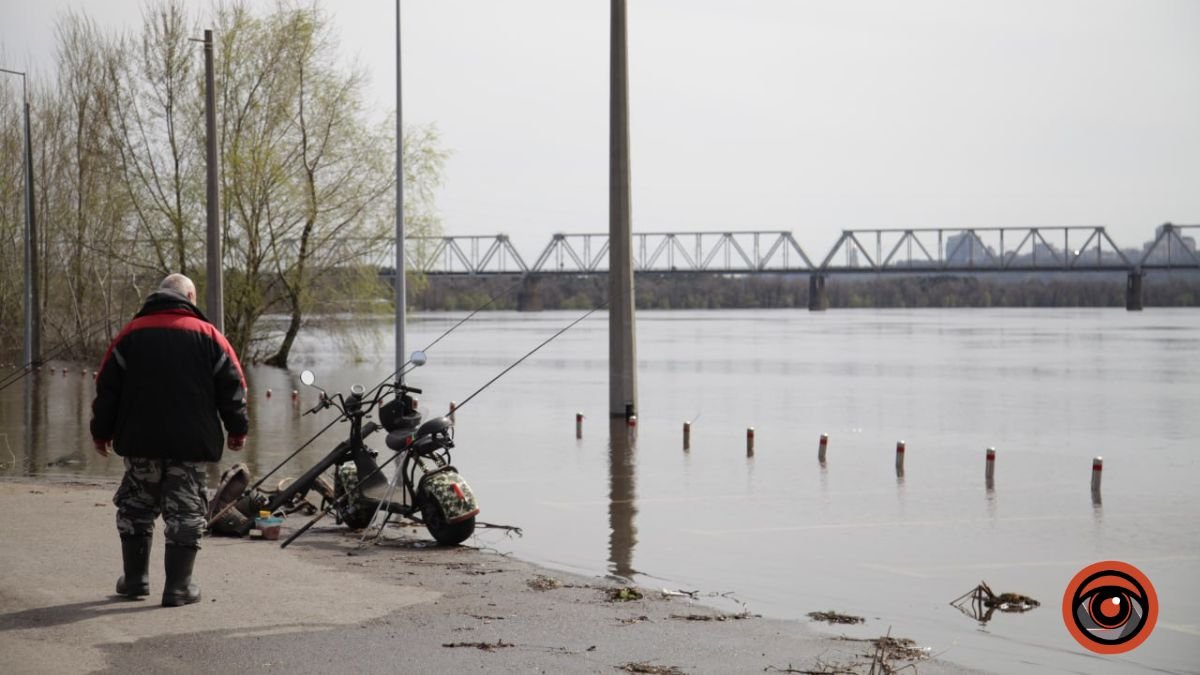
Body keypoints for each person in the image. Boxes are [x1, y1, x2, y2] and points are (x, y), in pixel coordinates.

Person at [90, 273, 249, 607]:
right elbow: (234, 386)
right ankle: (178, 588)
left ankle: (135, 581)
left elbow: (106, 389)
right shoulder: (209, 335)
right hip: (189, 444)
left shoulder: (130, 334)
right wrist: (237, 430)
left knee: (135, 507)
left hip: (139, 441)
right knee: (186, 511)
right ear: (190, 296)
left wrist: (100, 433)